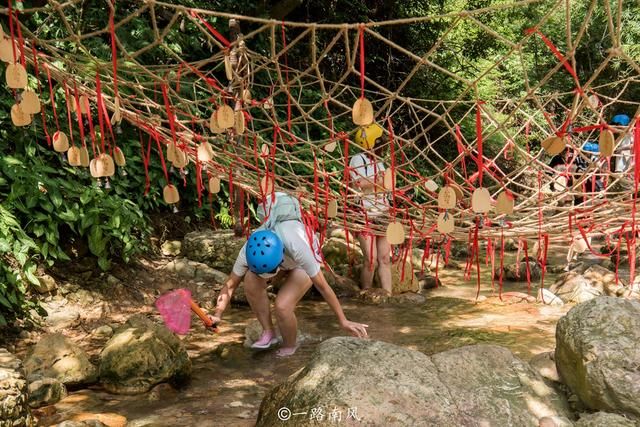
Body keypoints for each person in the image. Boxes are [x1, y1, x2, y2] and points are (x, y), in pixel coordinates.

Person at [208, 192, 369, 357]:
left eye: (270, 274)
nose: (268, 278)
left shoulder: (298, 246)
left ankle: (290, 347)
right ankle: (268, 333)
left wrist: (343, 320)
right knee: (250, 279)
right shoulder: (249, 249)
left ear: (281, 257)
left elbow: (323, 287)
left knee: (282, 306)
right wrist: (217, 315)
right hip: (283, 257)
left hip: (300, 265)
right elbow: (230, 285)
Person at [349, 123, 392, 294]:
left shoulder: (379, 162)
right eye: (380, 140)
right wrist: (380, 181)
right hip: (365, 214)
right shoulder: (358, 159)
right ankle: (366, 294)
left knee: (384, 259)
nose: (383, 144)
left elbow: (387, 185)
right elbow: (357, 184)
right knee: (371, 260)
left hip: (383, 212)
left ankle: (388, 295)